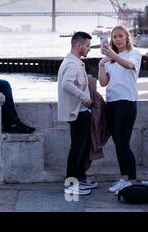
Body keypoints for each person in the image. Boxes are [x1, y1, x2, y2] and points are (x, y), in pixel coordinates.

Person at [98, 26, 141, 194]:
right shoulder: (110, 59)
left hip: (127, 102)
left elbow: (130, 66)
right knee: (118, 144)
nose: (117, 39)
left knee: (123, 143)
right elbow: (103, 83)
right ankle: (124, 178)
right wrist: (102, 65)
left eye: (120, 36)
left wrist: (112, 55)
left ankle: (131, 180)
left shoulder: (134, 53)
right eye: (114, 37)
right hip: (112, 103)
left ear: (126, 37)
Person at [58, 32, 98, 196]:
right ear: (78, 46)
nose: (89, 49)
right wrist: (85, 97)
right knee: (77, 148)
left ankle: (80, 179)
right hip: (79, 113)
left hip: (81, 112)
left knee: (81, 148)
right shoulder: (73, 65)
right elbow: (66, 85)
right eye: (87, 46)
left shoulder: (73, 62)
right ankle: (71, 184)